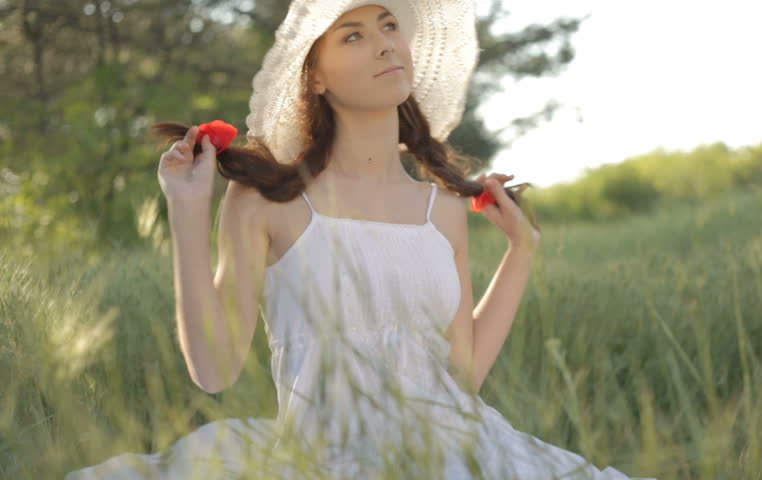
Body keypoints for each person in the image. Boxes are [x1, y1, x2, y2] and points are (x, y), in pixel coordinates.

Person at [65, 1, 653, 478]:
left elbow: (461, 376)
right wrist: (187, 208)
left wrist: (521, 253)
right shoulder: (267, 202)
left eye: (390, 26)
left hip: (459, 451)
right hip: (323, 456)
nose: (383, 43)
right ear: (315, 76)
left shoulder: (443, 209)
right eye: (352, 35)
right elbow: (214, 372)